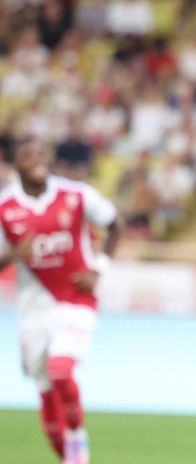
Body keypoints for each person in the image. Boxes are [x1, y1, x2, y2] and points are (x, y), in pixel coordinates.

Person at [0, 138, 121, 464]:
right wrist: (13, 254)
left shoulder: (76, 194)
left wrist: (98, 269)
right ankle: (69, 458)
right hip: (32, 309)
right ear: (15, 164)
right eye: (28, 156)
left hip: (76, 299)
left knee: (61, 370)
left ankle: (78, 435)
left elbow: (114, 224)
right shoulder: (5, 207)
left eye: (41, 154)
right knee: (45, 388)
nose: (37, 160)